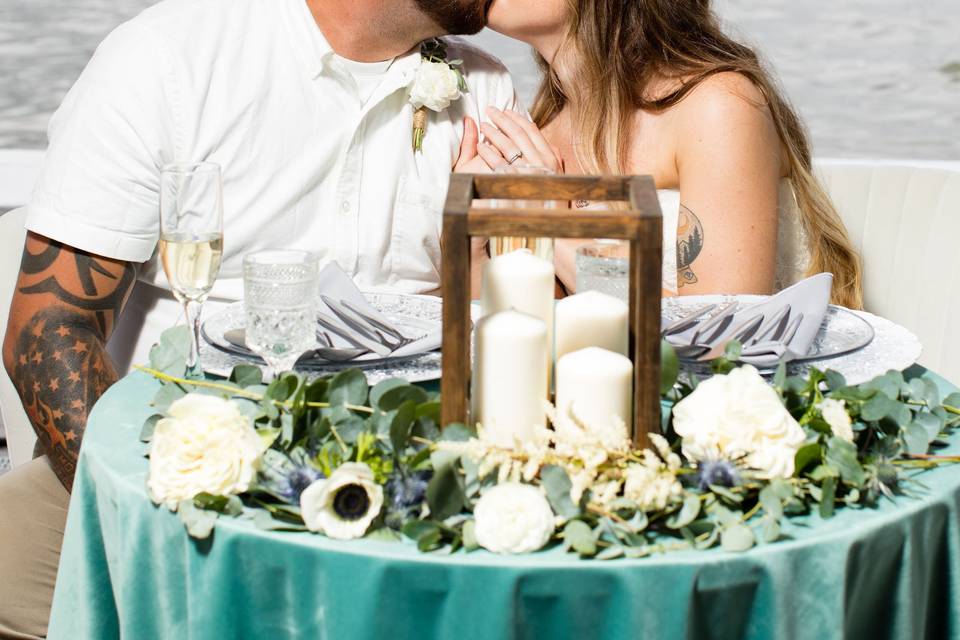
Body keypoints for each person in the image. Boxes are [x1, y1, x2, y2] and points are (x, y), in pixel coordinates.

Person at [0, 0, 514, 636]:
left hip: (398, 492)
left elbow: (455, 336)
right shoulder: (168, 60)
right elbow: (48, 328)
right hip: (164, 475)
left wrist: (469, 241)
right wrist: (161, 518)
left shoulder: (487, 89)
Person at [472, 0, 864, 307]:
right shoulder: (539, 128)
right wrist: (472, 242)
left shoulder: (717, 106)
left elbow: (723, 334)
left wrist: (552, 230)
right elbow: (532, 328)